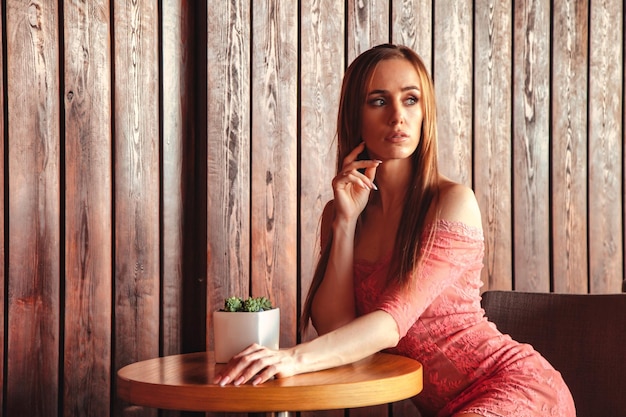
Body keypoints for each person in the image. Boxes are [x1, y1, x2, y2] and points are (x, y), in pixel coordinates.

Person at [214, 43, 576, 417]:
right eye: (378, 101)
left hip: (518, 389)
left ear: (424, 113)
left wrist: (290, 359)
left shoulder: (451, 202)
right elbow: (337, 326)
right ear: (356, 116)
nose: (398, 116)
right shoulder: (341, 214)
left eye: (411, 99)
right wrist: (345, 222)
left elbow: (390, 325)